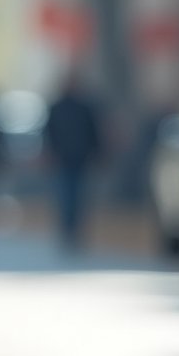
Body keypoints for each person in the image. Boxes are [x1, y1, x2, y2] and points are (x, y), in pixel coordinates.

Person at [43, 70, 103, 249]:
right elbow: (49, 133)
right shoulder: (57, 107)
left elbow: (93, 132)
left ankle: (76, 228)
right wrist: (49, 153)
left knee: (78, 195)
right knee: (65, 194)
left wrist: (96, 153)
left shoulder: (85, 107)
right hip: (62, 159)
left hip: (80, 158)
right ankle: (67, 228)